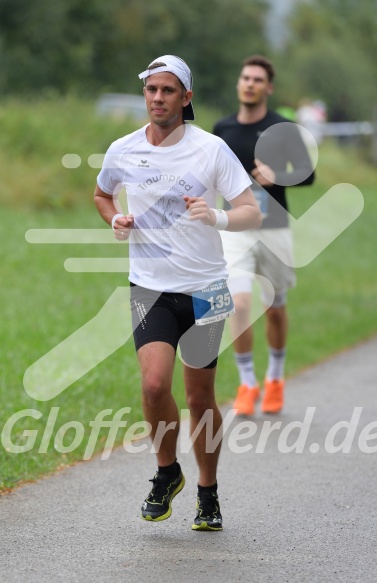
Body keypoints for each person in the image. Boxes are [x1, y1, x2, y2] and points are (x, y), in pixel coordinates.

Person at [94, 55, 261, 531]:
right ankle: (167, 472)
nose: (158, 98)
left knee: (200, 395)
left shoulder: (210, 150)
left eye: (168, 91)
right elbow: (102, 194)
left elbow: (250, 210)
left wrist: (218, 217)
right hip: (150, 287)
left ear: (186, 98)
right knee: (152, 385)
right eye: (152, 90)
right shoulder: (123, 149)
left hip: (206, 289)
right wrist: (115, 218)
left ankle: (208, 493)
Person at [213, 55, 315, 416]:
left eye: (257, 79)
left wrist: (279, 175)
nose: (250, 83)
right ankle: (247, 382)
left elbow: (308, 173)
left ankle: (274, 377)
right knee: (238, 305)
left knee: (274, 309)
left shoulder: (283, 128)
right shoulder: (222, 129)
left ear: (268, 87)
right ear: (239, 84)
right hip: (235, 229)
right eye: (245, 77)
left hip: (274, 228)